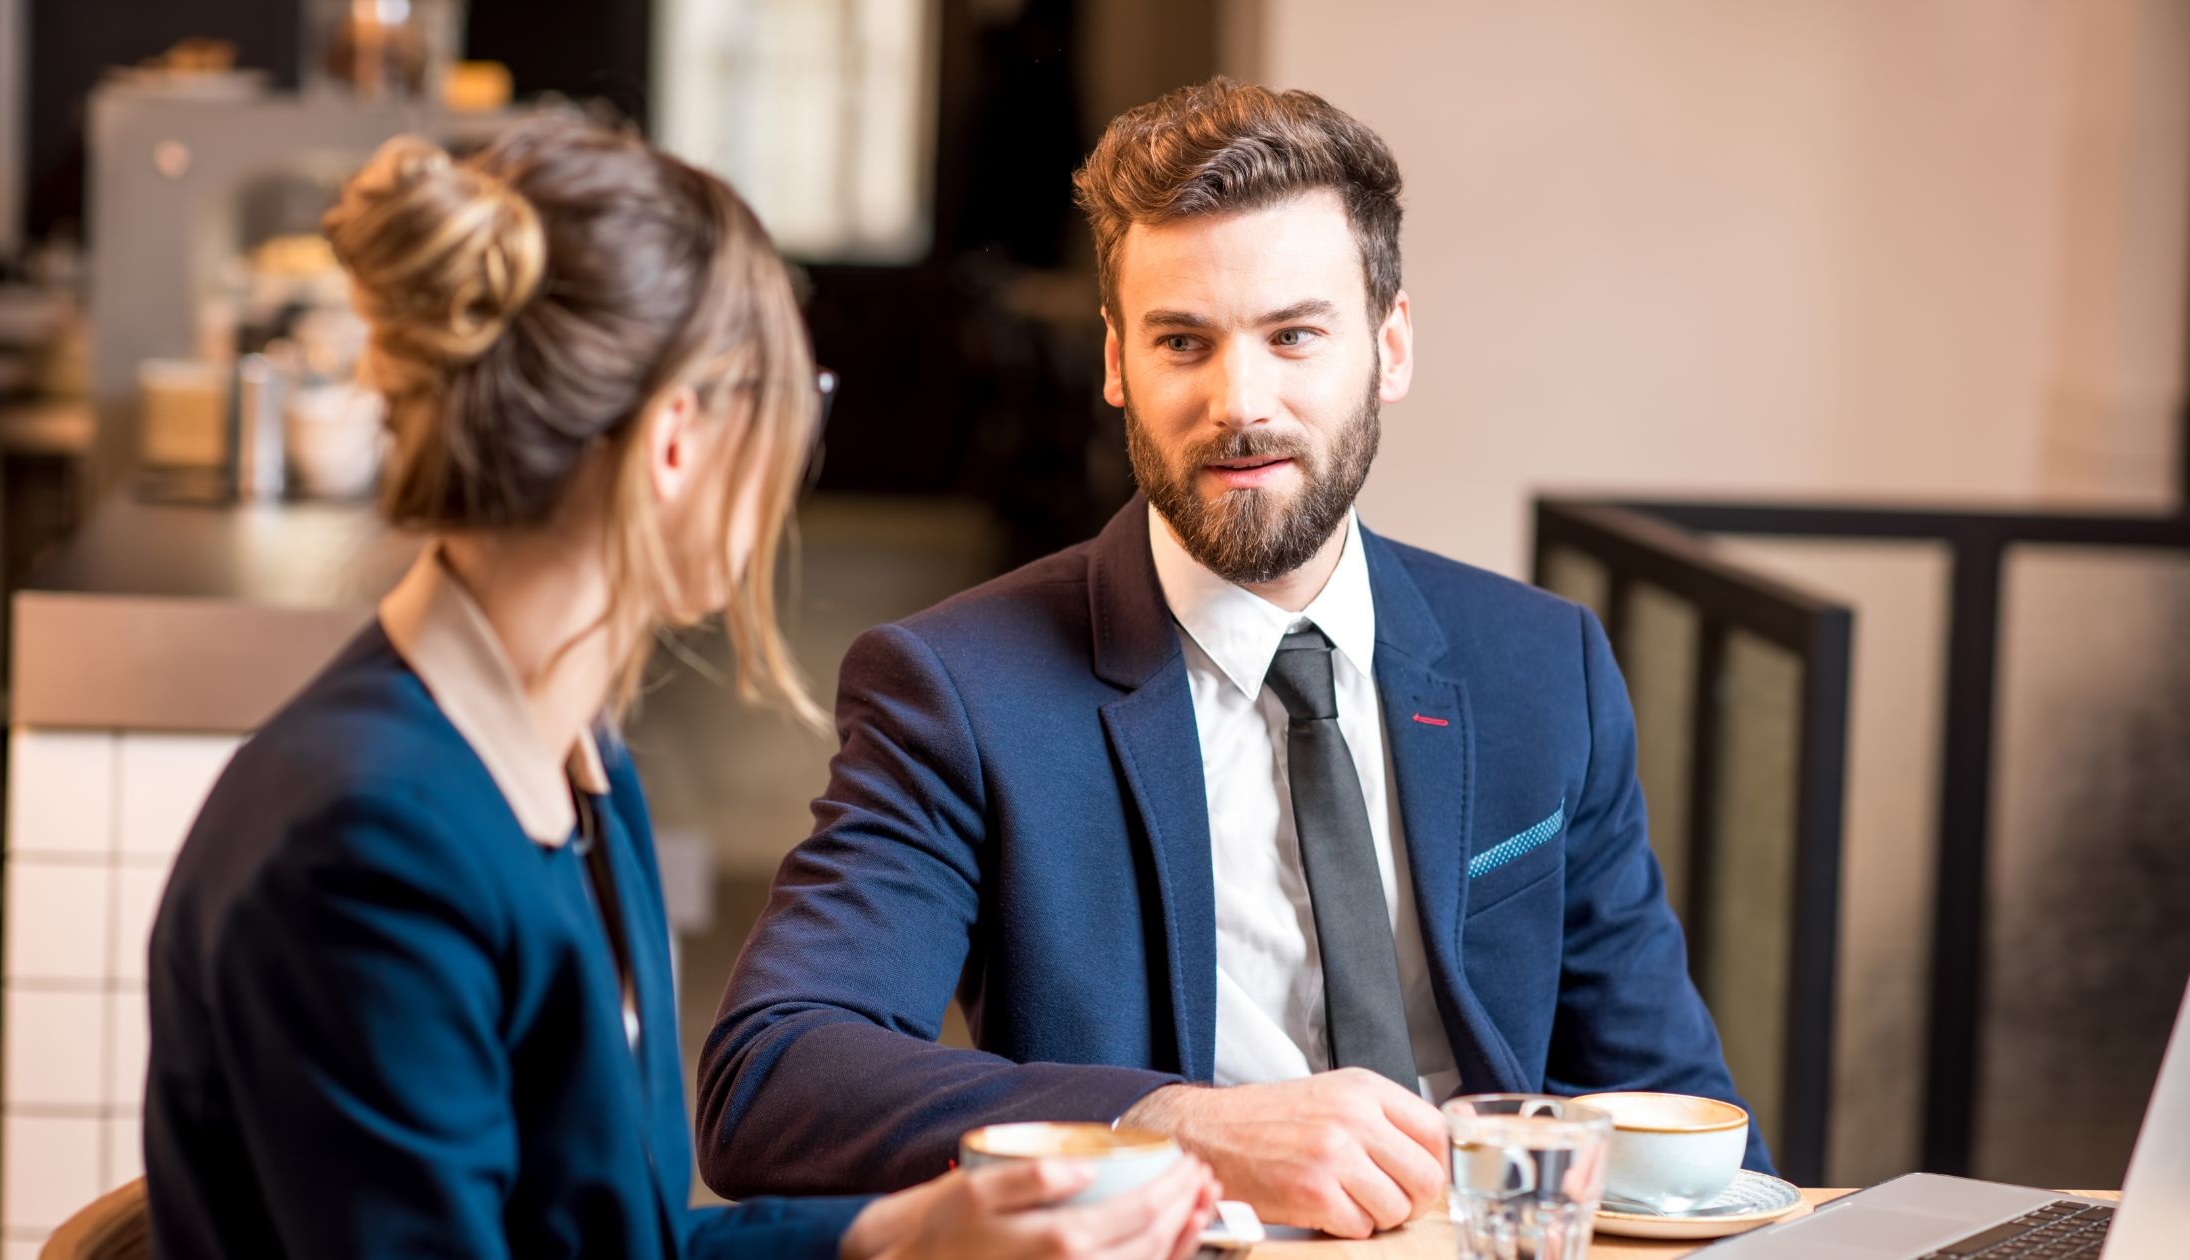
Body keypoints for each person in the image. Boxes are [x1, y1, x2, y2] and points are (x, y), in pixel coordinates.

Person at [697, 79, 1771, 1239]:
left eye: (1293, 335)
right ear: (1116, 363)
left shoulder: (1538, 664)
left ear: (1389, 346)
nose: (1237, 403)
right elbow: (774, 1075)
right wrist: (1174, 1123)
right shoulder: (957, 689)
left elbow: (1676, 1104)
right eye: (1181, 342)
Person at [142, 116, 1218, 1260]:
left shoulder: (570, 761)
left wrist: (904, 1233)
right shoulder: (367, 846)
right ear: (673, 440)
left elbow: (612, 1238)